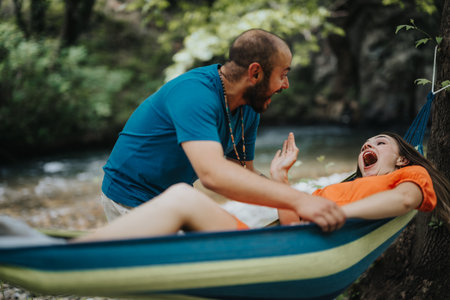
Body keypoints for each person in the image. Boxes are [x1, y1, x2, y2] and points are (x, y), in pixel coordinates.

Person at [100, 28, 345, 232]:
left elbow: (241, 174)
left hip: (176, 199)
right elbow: (213, 176)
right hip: (130, 198)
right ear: (256, 72)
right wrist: (300, 200)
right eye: (283, 75)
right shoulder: (194, 94)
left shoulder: (248, 107)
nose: (286, 84)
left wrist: (280, 180)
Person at [72, 132, 449, 243]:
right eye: (365, 143)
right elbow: (290, 227)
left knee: (183, 197)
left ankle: (74, 253)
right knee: (179, 209)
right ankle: (80, 249)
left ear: (402, 158)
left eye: (381, 143)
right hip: (277, 244)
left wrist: (335, 213)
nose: (368, 146)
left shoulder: (408, 178)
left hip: (281, 251)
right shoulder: (336, 191)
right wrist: (281, 178)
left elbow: (406, 200)